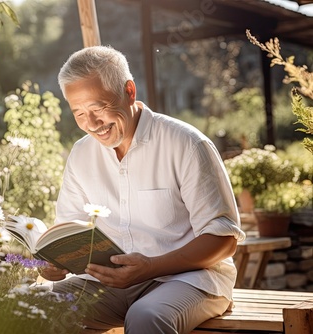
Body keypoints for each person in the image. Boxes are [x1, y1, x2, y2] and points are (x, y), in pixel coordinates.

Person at [40, 45, 246, 334]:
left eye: (98, 108)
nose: (92, 124)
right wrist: (53, 263)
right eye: (79, 113)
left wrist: (150, 267)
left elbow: (224, 239)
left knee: (147, 316)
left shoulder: (186, 144)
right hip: (107, 287)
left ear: (129, 91)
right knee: (35, 306)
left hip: (190, 280)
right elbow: (67, 228)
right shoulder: (81, 154)